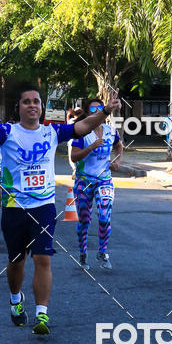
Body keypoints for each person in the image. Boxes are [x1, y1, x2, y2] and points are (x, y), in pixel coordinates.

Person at [0, 84, 121, 336]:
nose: (32, 105)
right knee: (16, 261)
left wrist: (106, 112)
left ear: (41, 107)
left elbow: (83, 126)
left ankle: (41, 314)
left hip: (44, 207)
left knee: (43, 258)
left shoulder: (53, 132)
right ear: (19, 107)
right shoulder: (7, 132)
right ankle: (15, 300)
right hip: (15, 208)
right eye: (27, 101)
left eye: (36, 101)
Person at [71, 98, 123, 271]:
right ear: (87, 112)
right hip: (83, 181)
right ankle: (83, 252)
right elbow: (74, 157)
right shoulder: (81, 133)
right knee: (84, 219)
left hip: (104, 179)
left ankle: (102, 251)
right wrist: (91, 147)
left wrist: (117, 161)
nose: (97, 111)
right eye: (93, 108)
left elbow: (119, 146)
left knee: (104, 216)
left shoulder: (110, 131)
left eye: (100, 107)